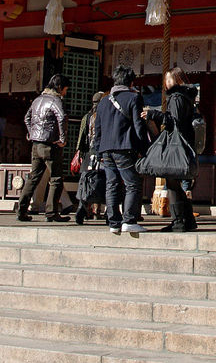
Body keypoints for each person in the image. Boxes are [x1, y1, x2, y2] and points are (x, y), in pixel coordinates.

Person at [142, 67, 199, 233]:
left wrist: (153, 114)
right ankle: (187, 219)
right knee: (175, 184)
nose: (166, 83)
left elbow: (173, 120)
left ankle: (178, 220)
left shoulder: (176, 97)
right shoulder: (188, 97)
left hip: (175, 143)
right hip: (185, 140)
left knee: (172, 182)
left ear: (177, 80)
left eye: (169, 80)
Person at [93, 65, 148, 236]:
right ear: (131, 81)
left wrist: (97, 150)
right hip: (124, 146)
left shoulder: (103, 101)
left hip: (106, 148)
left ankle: (113, 221)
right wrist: (143, 148)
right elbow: (138, 126)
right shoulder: (134, 98)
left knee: (112, 185)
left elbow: (98, 128)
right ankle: (129, 220)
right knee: (132, 184)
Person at [19, 73, 69, 222]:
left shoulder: (37, 100)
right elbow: (62, 117)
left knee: (33, 178)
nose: (65, 92)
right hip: (50, 143)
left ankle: (21, 210)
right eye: (65, 89)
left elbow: (27, 117)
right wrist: (63, 139)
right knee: (56, 178)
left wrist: (31, 132)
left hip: (36, 143)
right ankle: (51, 212)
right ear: (60, 88)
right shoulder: (55, 100)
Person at [74, 90, 106, 225]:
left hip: (89, 154)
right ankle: (101, 211)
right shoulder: (106, 116)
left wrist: (80, 152)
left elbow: (82, 139)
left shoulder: (87, 117)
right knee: (104, 183)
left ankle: (82, 207)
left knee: (86, 183)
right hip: (103, 153)